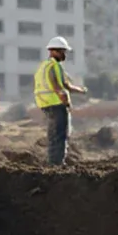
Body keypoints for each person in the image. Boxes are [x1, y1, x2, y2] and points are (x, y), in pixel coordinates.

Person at [32, 36, 87, 165]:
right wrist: (66, 101)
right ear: (54, 51)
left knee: (53, 136)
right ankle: (57, 164)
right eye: (63, 52)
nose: (64, 55)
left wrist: (81, 91)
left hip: (46, 104)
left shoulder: (43, 66)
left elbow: (66, 85)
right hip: (56, 104)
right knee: (60, 136)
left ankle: (53, 163)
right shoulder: (53, 66)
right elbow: (58, 86)